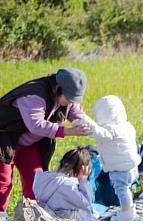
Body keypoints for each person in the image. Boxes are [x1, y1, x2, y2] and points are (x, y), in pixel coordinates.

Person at [0, 68, 91, 212]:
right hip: (4, 140)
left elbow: (75, 112)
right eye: (68, 99)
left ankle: (32, 217)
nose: (69, 103)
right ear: (58, 89)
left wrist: (91, 126)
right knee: (3, 183)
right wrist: (66, 131)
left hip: (28, 144)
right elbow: (36, 125)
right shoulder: (35, 94)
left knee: (36, 182)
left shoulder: (67, 97)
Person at [77, 95, 142, 221]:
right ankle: (129, 209)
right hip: (132, 166)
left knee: (121, 190)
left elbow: (98, 132)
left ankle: (127, 213)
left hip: (120, 168)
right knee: (126, 189)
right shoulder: (127, 126)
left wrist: (84, 119)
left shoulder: (110, 130)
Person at [32, 146, 99, 221]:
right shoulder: (70, 186)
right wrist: (84, 179)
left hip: (48, 218)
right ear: (82, 168)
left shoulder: (47, 179)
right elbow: (86, 205)